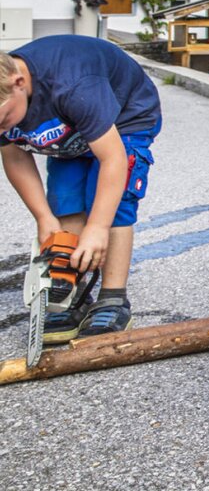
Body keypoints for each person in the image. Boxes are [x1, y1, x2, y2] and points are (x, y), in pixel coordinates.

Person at [0, 35, 162, 340]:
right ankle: (73, 292)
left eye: (4, 119)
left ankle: (113, 298)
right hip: (70, 129)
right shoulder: (5, 107)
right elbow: (15, 158)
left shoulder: (73, 85)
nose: (3, 131)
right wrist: (43, 218)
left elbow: (113, 158)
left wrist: (98, 227)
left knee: (114, 204)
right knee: (64, 198)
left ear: (19, 82)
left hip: (125, 118)